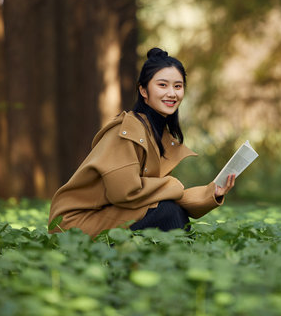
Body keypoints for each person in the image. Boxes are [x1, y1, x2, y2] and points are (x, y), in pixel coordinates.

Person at [48, 47, 235, 237]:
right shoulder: (127, 131)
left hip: (110, 214)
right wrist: (171, 185)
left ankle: (183, 261)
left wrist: (212, 192)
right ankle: (187, 262)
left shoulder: (158, 135)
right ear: (143, 90)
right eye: (162, 85)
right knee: (167, 211)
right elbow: (125, 193)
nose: (172, 93)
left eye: (178, 86)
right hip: (74, 226)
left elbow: (162, 196)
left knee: (169, 209)